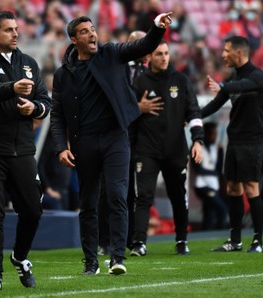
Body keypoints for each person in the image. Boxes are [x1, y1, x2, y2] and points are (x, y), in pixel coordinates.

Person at [50, 12, 173, 275]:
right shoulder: (63, 74)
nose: (92, 34)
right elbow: (58, 113)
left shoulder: (112, 54)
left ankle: (118, 257)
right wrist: (62, 146)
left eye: (93, 29)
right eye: (84, 31)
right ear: (74, 39)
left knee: (118, 195)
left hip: (115, 137)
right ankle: (90, 261)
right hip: (83, 143)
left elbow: (143, 46)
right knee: (89, 202)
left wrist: (156, 27)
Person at [0, 10, 51, 292]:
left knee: (33, 211)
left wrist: (34, 108)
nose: (15, 33)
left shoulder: (28, 63)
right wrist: (13, 88)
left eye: (16, 29)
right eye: (8, 30)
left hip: (22, 149)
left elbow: (44, 101)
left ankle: (20, 257)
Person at [130, 41, 204, 257]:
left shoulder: (180, 81)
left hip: (175, 150)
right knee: (143, 196)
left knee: (178, 196)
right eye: (159, 54)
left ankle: (181, 240)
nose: (164, 57)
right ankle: (139, 243)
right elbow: (127, 116)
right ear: (150, 57)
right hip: (147, 150)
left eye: (166, 53)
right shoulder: (140, 83)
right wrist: (137, 108)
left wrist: (197, 141)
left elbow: (194, 112)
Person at [97, 30, 163, 256]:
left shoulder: (152, 72)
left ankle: (131, 240)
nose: (144, 48)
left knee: (134, 193)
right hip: (117, 135)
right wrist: (138, 108)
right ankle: (105, 241)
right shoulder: (117, 67)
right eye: (139, 43)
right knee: (109, 190)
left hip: (143, 140)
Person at [202, 36, 263, 253]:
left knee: (251, 187)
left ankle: (258, 241)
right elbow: (216, 104)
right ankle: (235, 240)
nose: (223, 54)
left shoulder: (258, 77)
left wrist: (223, 85)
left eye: (226, 50)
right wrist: (193, 116)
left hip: (252, 141)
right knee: (232, 188)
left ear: (238, 53)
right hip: (235, 139)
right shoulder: (232, 78)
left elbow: (243, 85)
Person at [192, 122, 228, 231]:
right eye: (213, 134)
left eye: (216, 134)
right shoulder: (197, 148)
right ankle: (221, 232)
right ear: (206, 134)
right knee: (222, 209)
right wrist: (214, 173)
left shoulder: (215, 149)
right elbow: (198, 169)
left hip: (214, 186)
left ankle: (205, 234)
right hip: (203, 186)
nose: (215, 137)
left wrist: (221, 153)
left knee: (209, 212)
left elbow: (218, 168)